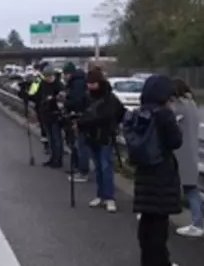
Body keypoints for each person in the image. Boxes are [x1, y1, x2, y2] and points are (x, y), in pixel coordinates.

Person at [133, 75, 182, 266]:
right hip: (162, 175)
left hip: (144, 173)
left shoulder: (140, 113)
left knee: (146, 223)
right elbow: (175, 142)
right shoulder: (164, 114)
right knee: (159, 228)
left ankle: (149, 261)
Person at [77, 70, 122, 212]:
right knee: (98, 167)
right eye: (89, 84)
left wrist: (112, 126)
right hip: (91, 136)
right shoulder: (88, 97)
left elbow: (114, 114)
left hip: (105, 136)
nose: (90, 86)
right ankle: (101, 195)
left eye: (93, 84)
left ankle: (109, 198)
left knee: (105, 166)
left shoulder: (110, 98)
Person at [171, 78, 204, 237]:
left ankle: (197, 224)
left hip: (180, 153)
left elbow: (169, 122)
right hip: (191, 151)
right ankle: (198, 223)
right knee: (191, 187)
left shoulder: (179, 107)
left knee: (181, 186)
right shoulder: (192, 104)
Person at [61, 62, 90, 182]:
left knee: (81, 146)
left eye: (65, 74)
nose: (63, 76)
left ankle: (82, 171)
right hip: (79, 116)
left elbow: (77, 100)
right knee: (78, 145)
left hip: (79, 117)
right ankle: (79, 168)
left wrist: (66, 103)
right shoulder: (78, 81)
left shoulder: (77, 84)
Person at [35, 66, 64, 167]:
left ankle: (58, 160)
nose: (47, 78)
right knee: (50, 138)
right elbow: (37, 96)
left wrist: (53, 100)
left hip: (55, 115)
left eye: (49, 76)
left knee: (57, 138)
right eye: (45, 76)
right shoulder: (43, 84)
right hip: (45, 115)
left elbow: (62, 99)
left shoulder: (58, 85)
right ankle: (52, 158)